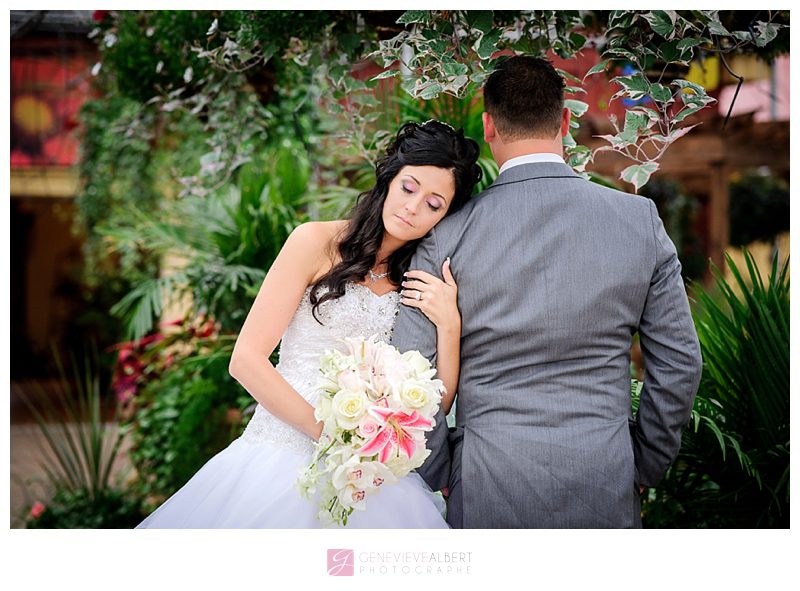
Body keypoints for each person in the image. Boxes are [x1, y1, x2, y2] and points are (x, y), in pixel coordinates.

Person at [391, 56, 703, 528]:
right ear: (564, 120)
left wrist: (441, 469)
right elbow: (679, 362)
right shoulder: (638, 222)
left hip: (486, 481)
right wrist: (644, 463)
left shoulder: (448, 235)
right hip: (605, 473)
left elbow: (406, 374)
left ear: (489, 126)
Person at [136, 120, 481, 528]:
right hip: (280, 448)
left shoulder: (419, 279)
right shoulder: (313, 242)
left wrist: (450, 324)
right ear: (389, 178)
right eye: (409, 188)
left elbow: (434, 405)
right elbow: (245, 360)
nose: (413, 207)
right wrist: (328, 436)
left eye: (434, 204)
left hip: (368, 474)